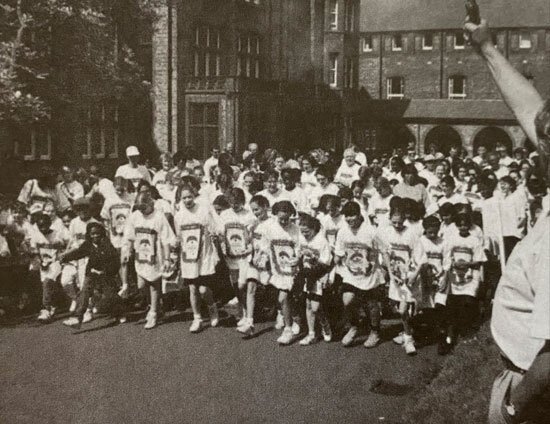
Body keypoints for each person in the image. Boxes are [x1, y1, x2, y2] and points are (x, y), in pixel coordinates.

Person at [120, 192, 175, 329]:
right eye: (139, 208)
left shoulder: (158, 216)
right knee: (141, 285)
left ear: (151, 204)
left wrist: (167, 258)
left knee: (154, 284)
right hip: (141, 256)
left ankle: (153, 313)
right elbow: (129, 236)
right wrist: (127, 251)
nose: (142, 211)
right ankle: (154, 305)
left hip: (155, 256)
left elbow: (166, 239)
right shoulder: (134, 217)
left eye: (144, 208)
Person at [174, 185, 220, 333]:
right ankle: (197, 318)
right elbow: (179, 237)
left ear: (194, 196)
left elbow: (214, 229)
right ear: (180, 199)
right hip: (188, 258)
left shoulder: (203, 211)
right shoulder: (179, 216)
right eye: (184, 198)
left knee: (203, 290)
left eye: (189, 197)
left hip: (204, 255)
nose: (187, 200)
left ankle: (212, 307)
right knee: (193, 289)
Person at [335, 202, 381, 348]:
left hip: (369, 273)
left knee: (371, 304)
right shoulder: (342, 231)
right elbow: (339, 253)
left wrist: (374, 265)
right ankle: (354, 326)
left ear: (359, 214)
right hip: (351, 273)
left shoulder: (371, 231)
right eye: (346, 216)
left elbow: (381, 251)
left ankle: (375, 332)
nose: (349, 219)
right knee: (347, 301)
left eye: (352, 215)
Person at [61, 222, 124, 328]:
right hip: (91, 273)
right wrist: (65, 257)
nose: (95, 236)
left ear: (102, 234)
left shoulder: (107, 245)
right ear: (89, 235)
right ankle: (77, 318)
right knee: (84, 292)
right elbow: (78, 253)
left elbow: (115, 262)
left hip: (105, 275)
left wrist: (106, 271)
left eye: (97, 233)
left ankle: (120, 313)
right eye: (92, 234)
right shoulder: (88, 244)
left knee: (110, 296)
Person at [261, 201, 301, 345]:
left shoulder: (296, 230)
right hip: (277, 270)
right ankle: (293, 319)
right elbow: (264, 246)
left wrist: (297, 258)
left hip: (293, 270)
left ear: (291, 215)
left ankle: (288, 329)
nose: (284, 221)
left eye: (287, 218)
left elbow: (299, 248)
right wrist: (264, 259)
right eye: (281, 218)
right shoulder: (269, 228)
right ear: (276, 215)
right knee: (284, 298)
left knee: (283, 298)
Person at [217, 188, 255, 328]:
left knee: (242, 284)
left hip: (244, 256)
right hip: (231, 255)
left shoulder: (249, 215)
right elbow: (221, 233)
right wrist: (223, 246)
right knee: (235, 285)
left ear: (243, 201)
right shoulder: (225, 214)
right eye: (232, 202)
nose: (234, 205)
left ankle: (247, 311)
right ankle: (242, 310)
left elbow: (252, 235)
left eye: (237, 202)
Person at [297, 213, 333, 346]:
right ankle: (311, 333)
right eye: (302, 231)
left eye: (307, 231)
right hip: (307, 275)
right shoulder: (302, 239)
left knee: (316, 307)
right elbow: (299, 254)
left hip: (318, 275)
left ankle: (325, 324)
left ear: (314, 229)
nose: (304, 234)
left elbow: (327, 262)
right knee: (308, 304)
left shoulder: (321, 241)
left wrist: (312, 256)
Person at [238, 194, 271, 337]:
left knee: (273, 288)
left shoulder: (273, 223)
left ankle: (282, 314)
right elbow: (250, 242)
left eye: (257, 209)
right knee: (250, 286)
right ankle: (249, 322)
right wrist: (248, 231)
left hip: (269, 261)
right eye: (253, 210)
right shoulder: (254, 224)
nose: (255, 212)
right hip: (255, 260)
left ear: (265, 207)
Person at [29, 213, 70, 322]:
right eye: (40, 226)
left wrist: (61, 250)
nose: (43, 228)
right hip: (44, 264)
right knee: (47, 285)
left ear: (49, 224)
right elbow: (34, 251)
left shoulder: (56, 234)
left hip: (56, 262)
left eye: (45, 225)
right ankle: (54, 305)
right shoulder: (36, 236)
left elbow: (68, 243)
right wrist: (40, 261)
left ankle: (46, 309)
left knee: (47, 282)